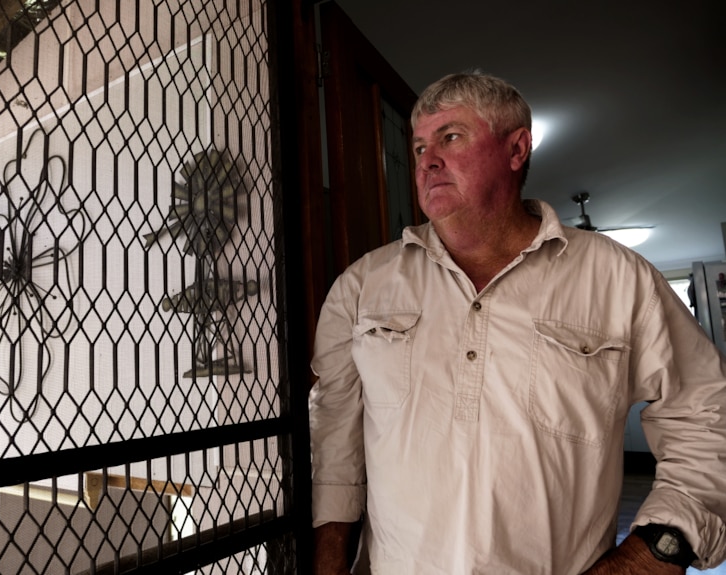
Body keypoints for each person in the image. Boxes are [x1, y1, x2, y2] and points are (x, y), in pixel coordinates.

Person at [309, 71, 726, 574]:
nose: (427, 160)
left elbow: (707, 418)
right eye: (419, 147)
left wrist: (654, 553)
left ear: (516, 149)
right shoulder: (362, 287)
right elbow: (336, 448)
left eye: (451, 137)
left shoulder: (618, 277)